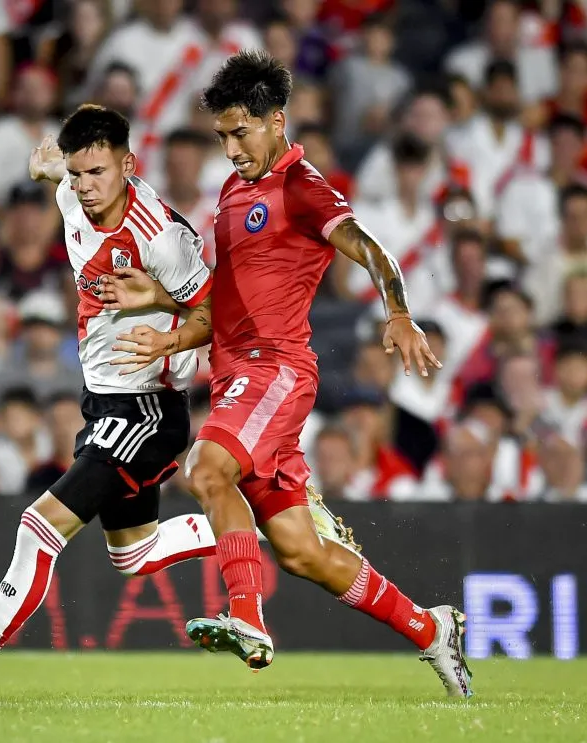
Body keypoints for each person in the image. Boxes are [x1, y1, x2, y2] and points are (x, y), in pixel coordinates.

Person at [0, 104, 342, 697]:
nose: (85, 187)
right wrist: (49, 166)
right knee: (134, 555)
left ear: (127, 164)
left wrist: (164, 321)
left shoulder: (162, 238)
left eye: (97, 173)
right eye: (77, 175)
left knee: (37, 527)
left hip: (147, 408)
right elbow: (59, 173)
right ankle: (266, 526)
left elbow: (218, 314)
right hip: (104, 402)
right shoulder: (73, 195)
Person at [100, 51, 471, 697]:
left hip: (275, 371)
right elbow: (228, 300)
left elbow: (371, 247)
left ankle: (248, 617)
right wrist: (164, 306)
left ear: (277, 121)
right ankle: (430, 627)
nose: (230, 146)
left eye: (240, 131)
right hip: (238, 375)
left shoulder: (303, 186)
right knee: (301, 552)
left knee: (207, 469)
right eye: (221, 134)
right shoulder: (232, 190)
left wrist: (401, 312)